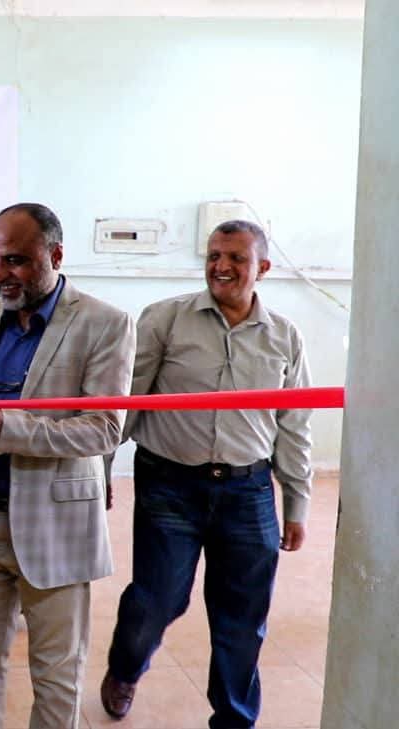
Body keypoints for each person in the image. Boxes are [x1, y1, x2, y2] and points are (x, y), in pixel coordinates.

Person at [0, 204, 135, 729]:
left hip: (54, 527)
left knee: (56, 676)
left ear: (56, 255)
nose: (1, 274)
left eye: (16, 261)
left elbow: (103, 430)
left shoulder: (105, 323)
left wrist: (8, 432)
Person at [101, 220, 313, 729]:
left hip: (248, 491)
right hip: (169, 486)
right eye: (215, 255)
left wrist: (297, 504)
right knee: (157, 601)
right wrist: (99, 467)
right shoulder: (165, 319)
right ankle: (126, 667)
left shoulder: (284, 337)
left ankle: (234, 719)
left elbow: (295, 425)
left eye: (236, 258)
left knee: (242, 619)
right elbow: (126, 402)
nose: (221, 266)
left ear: (263, 267)